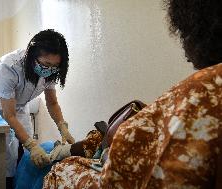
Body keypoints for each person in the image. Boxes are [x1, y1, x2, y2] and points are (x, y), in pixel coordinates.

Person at [42, 0, 222, 188]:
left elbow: (118, 175)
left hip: (115, 162)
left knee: (62, 169)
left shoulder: (198, 94)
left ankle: (68, 152)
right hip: (113, 147)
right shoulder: (200, 94)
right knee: (98, 136)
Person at [0, 29, 75, 188]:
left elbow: (52, 103)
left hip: (20, 106)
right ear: (32, 55)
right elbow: (9, 115)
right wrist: (31, 145)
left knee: (26, 153)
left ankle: (19, 181)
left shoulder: (50, 71)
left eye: (54, 66)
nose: (49, 70)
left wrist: (62, 126)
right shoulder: (9, 65)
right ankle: (4, 182)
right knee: (4, 155)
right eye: (46, 64)